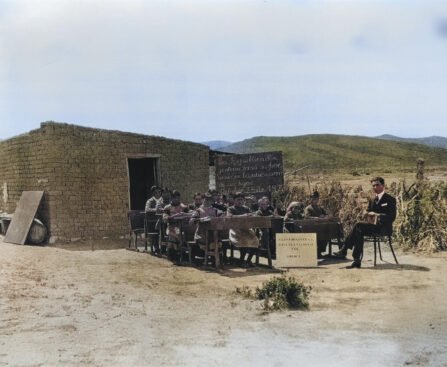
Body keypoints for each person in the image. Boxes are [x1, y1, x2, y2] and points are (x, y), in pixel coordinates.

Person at [334, 177, 397, 269]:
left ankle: (346, 251)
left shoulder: (390, 199)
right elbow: (367, 211)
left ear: (383, 186)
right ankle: (356, 260)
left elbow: (392, 217)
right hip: (373, 226)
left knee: (358, 226)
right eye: (373, 185)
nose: (375, 187)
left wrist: (377, 214)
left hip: (384, 228)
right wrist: (365, 213)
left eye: (377, 185)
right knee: (359, 230)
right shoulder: (372, 200)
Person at [227, 192, 259, 267]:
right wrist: (243, 216)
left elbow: (251, 215)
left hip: (246, 229)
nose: (240, 201)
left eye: (241, 200)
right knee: (244, 240)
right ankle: (241, 261)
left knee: (256, 240)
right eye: (238, 200)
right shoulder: (230, 208)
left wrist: (253, 215)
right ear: (234, 200)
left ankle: (248, 261)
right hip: (235, 230)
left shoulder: (246, 208)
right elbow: (229, 217)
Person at [162, 190, 190, 263]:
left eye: (178, 198)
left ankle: (186, 254)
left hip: (182, 227)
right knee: (174, 235)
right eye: (174, 198)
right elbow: (164, 217)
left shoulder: (183, 207)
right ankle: (174, 255)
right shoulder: (167, 207)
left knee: (186, 234)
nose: (176, 199)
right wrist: (169, 217)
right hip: (171, 227)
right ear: (171, 198)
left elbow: (189, 215)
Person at [304, 191, 329, 259]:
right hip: (311, 228)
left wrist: (325, 216)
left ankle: (319, 252)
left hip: (321, 227)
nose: (315, 200)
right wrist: (317, 218)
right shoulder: (308, 208)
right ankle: (316, 252)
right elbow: (307, 217)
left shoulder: (320, 208)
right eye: (313, 198)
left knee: (326, 235)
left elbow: (326, 214)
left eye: (316, 199)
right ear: (310, 199)